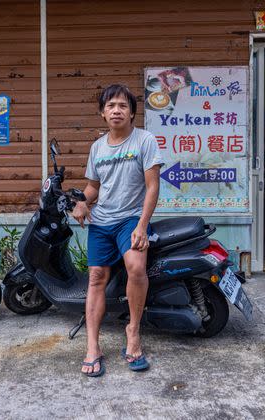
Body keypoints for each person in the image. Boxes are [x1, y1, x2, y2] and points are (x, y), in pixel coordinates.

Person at [72, 84, 164, 377]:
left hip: (130, 219)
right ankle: (92, 346)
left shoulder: (145, 140)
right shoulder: (97, 147)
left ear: (132, 112)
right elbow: (94, 187)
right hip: (102, 222)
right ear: (102, 113)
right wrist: (83, 204)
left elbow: (153, 186)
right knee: (96, 277)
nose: (116, 110)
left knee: (136, 266)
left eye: (122, 106)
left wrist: (141, 226)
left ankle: (133, 332)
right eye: (110, 105)